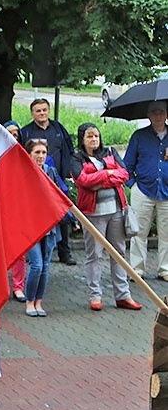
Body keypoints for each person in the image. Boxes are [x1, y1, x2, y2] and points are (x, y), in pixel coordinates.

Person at [71, 123, 143, 311]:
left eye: (96, 135)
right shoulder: (76, 158)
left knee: (119, 252)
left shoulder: (110, 152)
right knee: (94, 254)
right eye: (89, 136)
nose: (94, 139)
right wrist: (107, 173)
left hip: (116, 211)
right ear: (82, 139)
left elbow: (124, 174)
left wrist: (100, 179)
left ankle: (123, 295)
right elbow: (83, 181)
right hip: (92, 214)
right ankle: (95, 295)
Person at [20, 98, 76, 265]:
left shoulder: (59, 129)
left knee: (62, 215)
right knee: (37, 218)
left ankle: (65, 253)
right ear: (32, 113)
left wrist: (67, 172)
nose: (42, 113)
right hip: (36, 184)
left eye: (44, 110)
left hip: (57, 180)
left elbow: (69, 150)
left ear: (49, 111)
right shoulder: (26, 132)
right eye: (38, 110)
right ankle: (36, 253)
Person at [126, 101, 168, 281]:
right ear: (148, 115)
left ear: (166, 115)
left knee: (167, 233)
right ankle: (137, 269)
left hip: (167, 192)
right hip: (142, 190)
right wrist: (132, 184)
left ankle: (165, 270)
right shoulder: (139, 136)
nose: (158, 115)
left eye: (161, 112)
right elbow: (127, 165)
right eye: (154, 112)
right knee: (138, 232)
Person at [23, 139, 62, 317]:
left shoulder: (51, 172)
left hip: (49, 225)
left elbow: (60, 196)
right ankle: (29, 301)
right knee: (37, 265)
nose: (40, 156)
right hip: (30, 226)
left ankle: (39, 301)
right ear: (29, 154)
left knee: (46, 265)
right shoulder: (23, 173)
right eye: (37, 152)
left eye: (43, 153)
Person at [3, 121, 27, 302]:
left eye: (16, 134)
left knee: (20, 250)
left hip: (18, 208)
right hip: (0, 209)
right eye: (9, 133)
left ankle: (18, 287)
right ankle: (0, 284)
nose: (13, 136)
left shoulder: (24, 157)